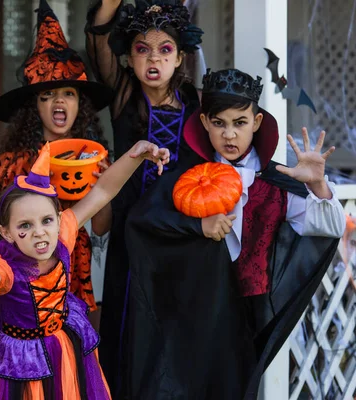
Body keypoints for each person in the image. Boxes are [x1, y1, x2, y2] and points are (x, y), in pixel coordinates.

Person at [125, 68, 346, 399]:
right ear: (205, 123)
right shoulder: (187, 177)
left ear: (256, 123)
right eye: (219, 123)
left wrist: (316, 184)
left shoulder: (275, 181)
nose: (229, 134)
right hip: (190, 310)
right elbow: (143, 222)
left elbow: (330, 227)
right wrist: (197, 226)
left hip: (246, 312)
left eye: (239, 123)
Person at [0, 139, 170, 399]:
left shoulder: (62, 235)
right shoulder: (0, 261)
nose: (39, 232)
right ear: (6, 233)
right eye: (25, 226)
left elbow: (103, 191)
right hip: (19, 357)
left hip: (60, 347)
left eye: (46, 220)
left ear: (59, 219)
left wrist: (135, 155)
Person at [84, 0, 204, 392]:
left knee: (174, 319)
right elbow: (98, 42)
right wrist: (108, 6)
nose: (154, 59)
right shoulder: (123, 95)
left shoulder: (194, 104)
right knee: (126, 315)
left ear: (180, 56)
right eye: (142, 49)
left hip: (178, 227)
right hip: (130, 228)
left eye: (165, 50)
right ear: (130, 58)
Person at [0, 0, 115, 312]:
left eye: (68, 93)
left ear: (80, 106)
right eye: (47, 95)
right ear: (34, 108)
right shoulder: (5, 165)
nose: (58, 102)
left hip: (73, 275)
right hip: (17, 284)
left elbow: (101, 228)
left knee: (69, 354)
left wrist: (104, 180)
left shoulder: (92, 160)